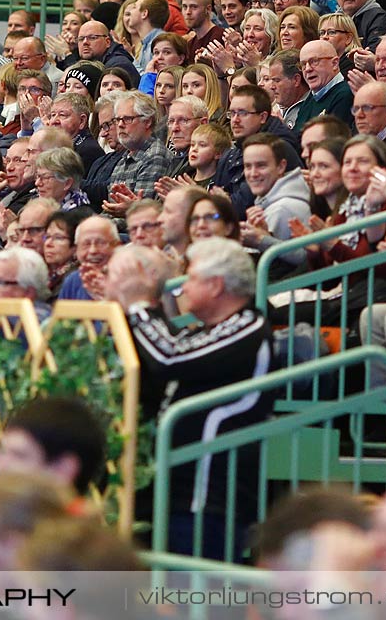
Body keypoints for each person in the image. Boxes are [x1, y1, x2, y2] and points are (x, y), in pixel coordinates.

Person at [105, 237, 273, 562]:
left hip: (210, 494)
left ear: (216, 286)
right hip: (175, 489)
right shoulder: (201, 330)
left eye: (192, 278)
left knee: (200, 604)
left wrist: (139, 305)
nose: (182, 288)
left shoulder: (248, 325)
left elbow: (168, 357)